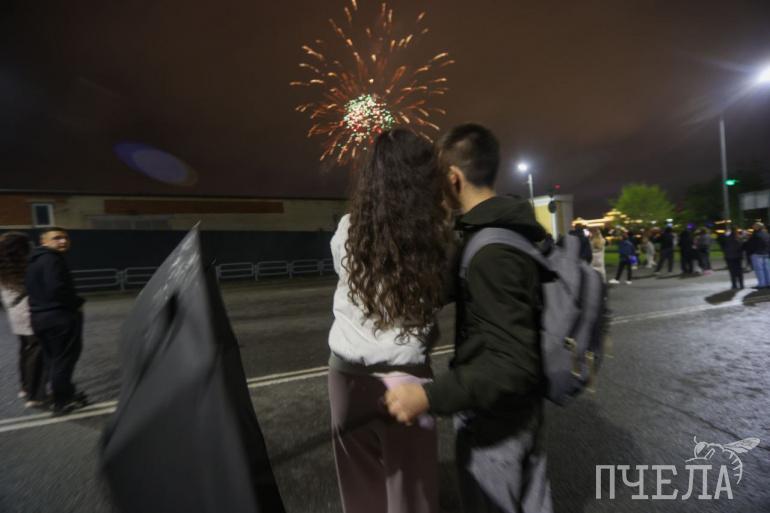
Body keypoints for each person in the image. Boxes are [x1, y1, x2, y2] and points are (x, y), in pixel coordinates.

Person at [385, 124, 553, 513]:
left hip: (497, 424)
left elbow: (511, 363)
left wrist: (427, 396)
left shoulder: (491, 252)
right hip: (520, 411)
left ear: (452, 178)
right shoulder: (505, 232)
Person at [327, 128, 450, 513]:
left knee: (360, 490)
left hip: (345, 376)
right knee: (412, 496)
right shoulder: (434, 236)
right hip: (405, 377)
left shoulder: (347, 228)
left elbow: (347, 275)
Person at [26, 227, 88, 415]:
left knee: (52, 359)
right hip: (59, 317)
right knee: (64, 361)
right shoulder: (52, 259)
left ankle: (66, 394)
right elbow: (56, 289)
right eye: (57, 238)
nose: (63, 241)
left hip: (39, 317)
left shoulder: (33, 261)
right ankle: (62, 402)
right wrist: (76, 303)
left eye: (65, 237)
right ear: (44, 241)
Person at [0, 232, 48, 407]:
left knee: (25, 350)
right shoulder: (26, 266)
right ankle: (35, 395)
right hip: (30, 311)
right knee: (37, 351)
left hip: (14, 312)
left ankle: (25, 387)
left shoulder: (4, 268)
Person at [744, 223, 770, 289]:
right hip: (766, 254)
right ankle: (768, 283)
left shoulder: (755, 235)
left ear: (757, 227)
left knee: (759, 270)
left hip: (757, 254)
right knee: (767, 269)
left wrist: (750, 252)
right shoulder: (767, 234)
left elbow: (750, 245)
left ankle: (762, 284)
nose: (753, 227)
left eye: (754, 226)